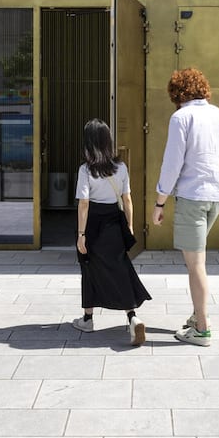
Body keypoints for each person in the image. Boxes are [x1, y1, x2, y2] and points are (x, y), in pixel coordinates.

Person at [152, 68, 219, 346]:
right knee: (198, 262)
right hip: (217, 194)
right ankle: (198, 317)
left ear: (176, 92)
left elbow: (172, 163)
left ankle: (202, 329)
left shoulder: (181, 117)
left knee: (195, 265)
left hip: (193, 196)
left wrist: (160, 200)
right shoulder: (218, 114)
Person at [73, 118, 151, 345]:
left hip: (92, 225)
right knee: (119, 269)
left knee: (88, 267)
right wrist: (129, 226)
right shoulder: (121, 167)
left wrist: (81, 235)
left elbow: (84, 203)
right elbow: (127, 199)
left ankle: (88, 319)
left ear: (88, 143)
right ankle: (132, 317)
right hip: (115, 223)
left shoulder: (86, 169)